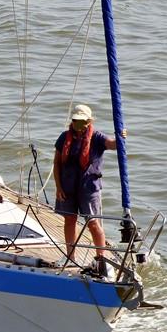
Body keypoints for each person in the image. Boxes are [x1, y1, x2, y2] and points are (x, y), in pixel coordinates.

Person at [53, 104, 119, 270]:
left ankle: (100, 258)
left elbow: (112, 145)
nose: (78, 124)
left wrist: (120, 137)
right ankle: (70, 255)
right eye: (75, 120)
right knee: (69, 220)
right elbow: (56, 163)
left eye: (81, 121)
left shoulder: (96, 137)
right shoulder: (64, 137)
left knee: (93, 223)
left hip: (88, 188)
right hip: (68, 187)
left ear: (89, 121)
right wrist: (58, 187)